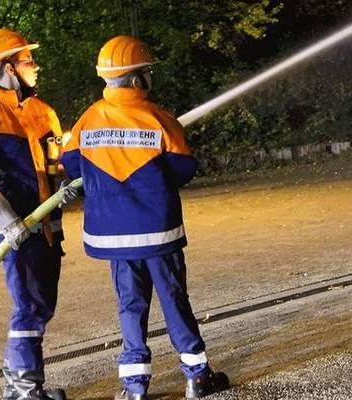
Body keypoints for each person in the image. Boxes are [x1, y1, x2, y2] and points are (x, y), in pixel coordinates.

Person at [59, 35, 229, 400]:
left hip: (114, 237)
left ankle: (134, 386)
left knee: (130, 306)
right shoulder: (159, 119)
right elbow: (183, 168)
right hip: (158, 233)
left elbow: (71, 164)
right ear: (137, 78)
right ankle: (197, 377)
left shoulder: (88, 120)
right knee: (174, 300)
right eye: (147, 72)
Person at [0, 28, 74, 400]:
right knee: (28, 307)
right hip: (18, 232)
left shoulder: (43, 111)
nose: (35, 66)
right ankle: (22, 388)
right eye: (28, 60)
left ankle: (26, 384)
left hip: (48, 231)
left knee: (41, 306)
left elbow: (54, 163)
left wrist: (65, 181)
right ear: (8, 68)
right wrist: (6, 221)